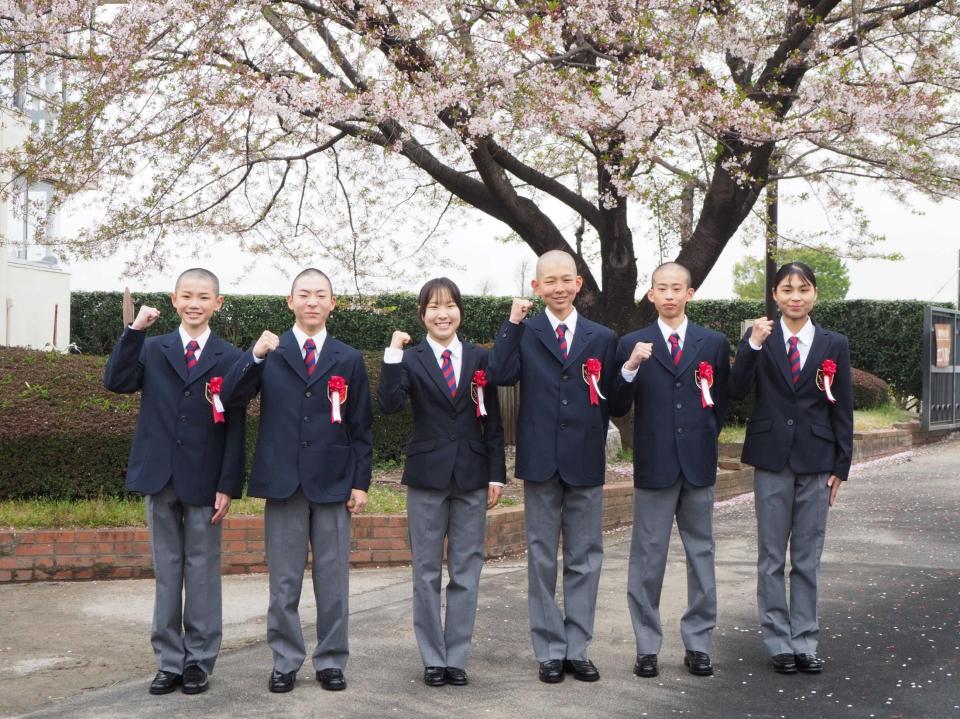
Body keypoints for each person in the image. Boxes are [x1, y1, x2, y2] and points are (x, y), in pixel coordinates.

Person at [219, 268, 373, 694]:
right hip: (283, 481)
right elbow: (230, 398)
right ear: (290, 301)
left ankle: (331, 660)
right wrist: (253, 357)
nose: (312, 302)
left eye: (320, 295)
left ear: (332, 303)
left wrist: (360, 482)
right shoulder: (272, 350)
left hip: (333, 481)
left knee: (333, 581)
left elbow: (361, 426)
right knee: (284, 582)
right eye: (304, 294)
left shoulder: (348, 358)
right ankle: (285, 660)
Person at [103, 268, 246, 696]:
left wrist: (228, 483)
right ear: (173, 300)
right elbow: (116, 381)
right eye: (186, 296)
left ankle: (199, 660)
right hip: (159, 475)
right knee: (167, 570)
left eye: (203, 297)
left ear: (218, 303)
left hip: (205, 479)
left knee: (202, 571)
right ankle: (168, 661)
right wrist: (134, 331)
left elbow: (236, 426)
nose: (194, 304)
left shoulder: (231, 356)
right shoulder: (152, 348)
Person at [485, 249, 617, 684]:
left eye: (566, 280)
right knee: (541, 559)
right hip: (540, 461)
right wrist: (512, 323)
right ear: (536, 287)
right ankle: (549, 650)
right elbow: (499, 373)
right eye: (549, 281)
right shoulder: (527, 331)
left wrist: (632, 368)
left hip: (585, 459)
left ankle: (577, 648)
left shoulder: (602, 337)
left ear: (578, 284)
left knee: (585, 558)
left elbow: (614, 399)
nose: (558, 288)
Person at [377, 277, 507, 687]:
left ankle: (457, 657)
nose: (442, 313)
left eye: (449, 305)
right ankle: (433, 658)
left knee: (467, 571)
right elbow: (389, 404)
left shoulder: (480, 358)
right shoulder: (410, 358)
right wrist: (392, 354)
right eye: (433, 306)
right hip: (427, 477)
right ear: (422, 315)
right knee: (426, 572)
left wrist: (496, 475)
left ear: (460, 312)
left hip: (472, 476)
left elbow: (492, 421)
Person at [728, 261, 853, 675]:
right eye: (787, 289)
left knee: (807, 556)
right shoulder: (760, 337)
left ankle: (804, 640)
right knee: (770, 556)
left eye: (803, 289)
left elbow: (842, 407)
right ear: (775, 295)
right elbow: (735, 389)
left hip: (818, 460)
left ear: (815, 294)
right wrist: (752, 345)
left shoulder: (834, 343)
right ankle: (778, 641)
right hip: (771, 458)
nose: (795, 297)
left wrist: (842, 465)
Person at [609, 262, 730, 679]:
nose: (669, 296)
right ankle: (647, 646)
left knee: (702, 556)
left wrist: (704, 437)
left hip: (698, 465)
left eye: (677, 288)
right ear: (651, 295)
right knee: (647, 558)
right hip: (654, 465)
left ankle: (699, 644)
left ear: (689, 294)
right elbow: (616, 405)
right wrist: (630, 367)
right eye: (662, 288)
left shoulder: (712, 343)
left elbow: (721, 402)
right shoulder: (633, 342)